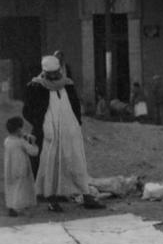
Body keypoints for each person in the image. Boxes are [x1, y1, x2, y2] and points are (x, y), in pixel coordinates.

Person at [22, 55, 105, 212]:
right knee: (49, 163)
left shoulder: (67, 84)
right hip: (49, 132)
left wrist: (77, 123)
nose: (54, 76)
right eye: (50, 73)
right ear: (44, 72)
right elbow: (27, 111)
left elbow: (75, 106)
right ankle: (51, 199)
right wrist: (41, 124)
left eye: (56, 72)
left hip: (70, 130)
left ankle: (86, 195)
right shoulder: (36, 86)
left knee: (76, 161)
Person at [4, 116, 39, 216]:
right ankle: (19, 208)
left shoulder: (7, 141)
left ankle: (12, 206)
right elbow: (33, 152)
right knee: (22, 189)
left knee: (12, 188)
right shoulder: (21, 142)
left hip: (10, 168)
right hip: (22, 169)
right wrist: (34, 143)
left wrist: (23, 136)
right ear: (18, 129)